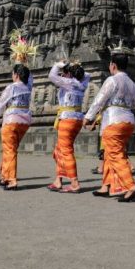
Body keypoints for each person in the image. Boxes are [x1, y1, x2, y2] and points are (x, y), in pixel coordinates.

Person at [84, 48, 135, 201]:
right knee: (110, 152)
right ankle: (106, 185)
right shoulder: (132, 83)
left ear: (113, 66)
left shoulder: (112, 80)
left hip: (114, 121)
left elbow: (99, 100)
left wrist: (88, 117)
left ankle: (130, 185)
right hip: (128, 120)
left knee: (115, 154)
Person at [0, 64, 33, 190]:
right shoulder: (28, 87)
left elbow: (0, 104)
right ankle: (4, 176)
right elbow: (31, 78)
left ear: (17, 75)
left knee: (9, 150)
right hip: (24, 122)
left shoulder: (12, 87)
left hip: (12, 120)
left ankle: (11, 180)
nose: (12, 75)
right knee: (10, 149)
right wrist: (23, 62)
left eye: (13, 73)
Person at [47, 59, 90, 192]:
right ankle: (58, 180)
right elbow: (87, 74)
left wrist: (58, 65)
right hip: (77, 118)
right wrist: (73, 67)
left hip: (68, 120)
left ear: (69, 74)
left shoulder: (69, 82)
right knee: (59, 150)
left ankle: (74, 183)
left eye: (64, 73)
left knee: (65, 151)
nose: (62, 76)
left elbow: (51, 76)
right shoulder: (83, 82)